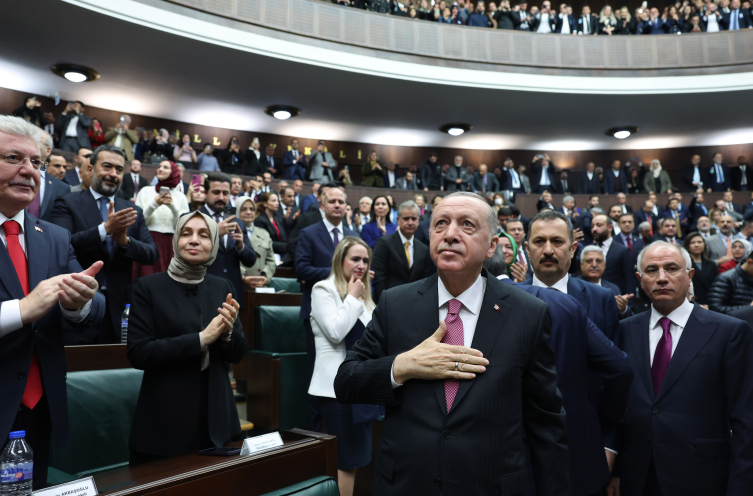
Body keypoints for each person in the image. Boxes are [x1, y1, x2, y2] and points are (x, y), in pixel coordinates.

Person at [334, 192, 570, 495]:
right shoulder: (396, 304)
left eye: (467, 224)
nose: (450, 234)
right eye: (441, 224)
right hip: (406, 484)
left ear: (492, 246)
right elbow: (346, 381)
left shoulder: (528, 313)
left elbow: (546, 425)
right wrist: (402, 366)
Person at [0, 115, 106, 489]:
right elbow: (30, 307)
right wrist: (22, 310)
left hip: (39, 410)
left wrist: (78, 303)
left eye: (37, 162)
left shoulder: (56, 236)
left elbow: (96, 306)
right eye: (14, 158)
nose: (30, 170)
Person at [607, 242, 753, 496]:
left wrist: (741, 487)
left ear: (690, 275)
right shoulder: (624, 330)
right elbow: (618, 407)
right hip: (637, 477)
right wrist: (617, 469)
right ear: (640, 279)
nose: (662, 278)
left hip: (704, 478)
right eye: (652, 270)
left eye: (672, 268)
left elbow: (746, 419)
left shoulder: (729, 332)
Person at [127, 211, 245, 464]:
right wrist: (201, 339)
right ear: (175, 241)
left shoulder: (223, 286)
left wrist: (227, 334)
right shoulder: (147, 288)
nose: (194, 240)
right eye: (186, 233)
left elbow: (238, 353)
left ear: (214, 243)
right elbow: (139, 353)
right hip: (166, 419)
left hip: (218, 417)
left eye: (204, 235)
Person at [50, 145, 158, 344]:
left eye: (119, 169)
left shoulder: (132, 210)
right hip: (79, 304)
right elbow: (61, 245)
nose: (113, 174)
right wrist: (104, 230)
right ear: (90, 169)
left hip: (120, 307)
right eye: (107, 167)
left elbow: (152, 254)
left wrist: (125, 242)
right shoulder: (67, 202)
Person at [309, 237, 377, 496]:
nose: (361, 265)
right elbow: (336, 332)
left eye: (365, 260)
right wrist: (352, 298)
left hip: (361, 389)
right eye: (355, 259)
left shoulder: (364, 295)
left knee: (357, 460)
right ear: (340, 261)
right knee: (345, 463)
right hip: (334, 391)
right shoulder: (323, 289)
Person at [296, 186, 358, 432]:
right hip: (319, 312)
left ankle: (342, 427)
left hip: (350, 311)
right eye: (332, 201)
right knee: (319, 373)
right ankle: (317, 434)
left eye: (341, 201)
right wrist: (339, 273)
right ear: (322, 205)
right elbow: (301, 269)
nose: (337, 205)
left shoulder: (353, 235)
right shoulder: (309, 233)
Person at [520, 210, 620, 340]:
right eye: (539, 241)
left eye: (557, 241)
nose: (548, 251)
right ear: (527, 249)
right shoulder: (511, 298)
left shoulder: (601, 299)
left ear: (572, 249)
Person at [197, 173, 257, 308]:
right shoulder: (192, 218)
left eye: (225, 193)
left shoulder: (238, 223)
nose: (221, 197)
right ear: (206, 193)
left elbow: (251, 260)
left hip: (232, 294)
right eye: (216, 192)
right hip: (202, 292)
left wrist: (241, 246)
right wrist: (215, 233)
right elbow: (187, 255)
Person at [134, 161, 190, 277]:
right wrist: (154, 204)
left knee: (168, 278)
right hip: (147, 240)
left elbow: (182, 226)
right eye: (159, 166)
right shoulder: (145, 191)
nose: (160, 169)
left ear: (173, 172)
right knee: (146, 276)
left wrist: (173, 206)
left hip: (171, 243)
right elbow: (138, 221)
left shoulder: (181, 197)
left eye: (165, 167)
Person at [372, 201, 433, 303]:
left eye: (414, 219)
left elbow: (425, 281)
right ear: (398, 220)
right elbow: (379, 278)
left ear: (418, 220)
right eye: (406, 218)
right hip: (389, 303)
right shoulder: (384, 243)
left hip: (415, 304)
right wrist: (385, 304)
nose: (410, 222)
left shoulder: (424, 249)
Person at [579, 245, 634, 318]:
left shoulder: (614, 288)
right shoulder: (573, 286)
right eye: (589, 261)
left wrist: (623, 309)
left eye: (599, 261)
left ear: (604, 265)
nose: (594, 265)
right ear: (581, 265)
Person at [236, 197, 275, 289]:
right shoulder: (229, 233)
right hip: (238, 285)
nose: (249, 212)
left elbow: (271, 260)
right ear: (237, 211)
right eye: (244, 209)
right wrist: (242, 277)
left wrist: (265, 276)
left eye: (252, 209)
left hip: (260, 286)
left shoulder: (264, 233)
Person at [683, 232, 717, 306]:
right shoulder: (684, 265)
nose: (697, 245)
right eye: (693, 242)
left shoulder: (711, 264)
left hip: (710, 303)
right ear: (688, 245)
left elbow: (715, 287)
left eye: (699, 242)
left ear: (704, 244)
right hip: (692, 303)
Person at [254, 192, 287, 256]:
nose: (277, 203)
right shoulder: (260, 220)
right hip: (269, 254)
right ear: (265, 203)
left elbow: (283, 238)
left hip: (282, 253)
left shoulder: (278, 219)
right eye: (274, 201)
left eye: (277, 201)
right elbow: (265, 242)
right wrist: (287, 247)